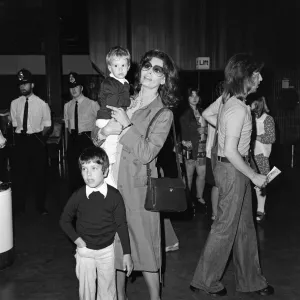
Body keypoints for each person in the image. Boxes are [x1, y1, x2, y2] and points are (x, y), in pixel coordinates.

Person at [92, 49, 178, 300]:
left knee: (146, 248)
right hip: (112, 183)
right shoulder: (123, 98)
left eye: (158, 70)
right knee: (116, 246)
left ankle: (155, 297)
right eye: (148, 66)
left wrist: (127, 125)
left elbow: (147, 153)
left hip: (140, 190)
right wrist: (103, 131)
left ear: (164, 79)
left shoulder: (164, 113)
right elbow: (97, 139)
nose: (150, 72)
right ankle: (119, 296)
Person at [190, 53, 274, 297]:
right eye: (256, 73)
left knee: (244, 226)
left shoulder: (229, 99)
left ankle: (252, 281)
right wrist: (255, 176)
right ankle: (205, 280)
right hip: (233, 168)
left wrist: (226, 127)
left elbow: (206, 114)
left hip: (229, 168)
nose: (260, 78)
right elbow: (230, 150)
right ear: (246, 77)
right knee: (226, 226)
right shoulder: (238, 108)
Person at [60, 146, 133, 300]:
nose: (88, 174)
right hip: (85, 251)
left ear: (105, 171)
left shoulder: (114, 196)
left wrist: (127, 253)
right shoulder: (78, 195)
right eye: (84, 169)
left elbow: (121, 225)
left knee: (107, 290)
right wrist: (77, 240)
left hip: (107, 251)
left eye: (94, 168)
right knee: (86, 291)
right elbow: (64, 220)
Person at [10, 68, 51, 215]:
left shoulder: (42, 104)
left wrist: (40, 138)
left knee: (39, 176)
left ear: (32, 85)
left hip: (36, 140)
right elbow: (15, 124)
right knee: (19, 176)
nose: (22, 86)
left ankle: (40, 207)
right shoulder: (14, 103)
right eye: (20, 84)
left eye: (25, 83)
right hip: (20, 142)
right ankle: (19, 207)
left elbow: (47, 124)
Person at [95, 46, 131, 188]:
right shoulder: (110, 83)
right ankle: (108, 178)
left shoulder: (124, 82)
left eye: (123, 65)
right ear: (110, 68)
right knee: (109, 150)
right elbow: (113, 105)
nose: (120, 69)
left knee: (113, 146)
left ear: (128, 66)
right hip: (108, 118)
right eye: (116, 65)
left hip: (113, 117)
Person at [64, 72, 100, 193]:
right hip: (73, 140)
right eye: (71, 87)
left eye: (76, 86)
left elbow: (100, 124)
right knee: (73, 173)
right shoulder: (67, 106)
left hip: (86, 140)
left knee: (88, 172)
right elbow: (67, 127)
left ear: (82, 88)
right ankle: (75, 200)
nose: (73, 90)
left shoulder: (92, 104)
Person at [179, 87, 207, 210]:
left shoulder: (204, 111)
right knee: (189, 175)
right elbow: (182, 132)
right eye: (192, 95)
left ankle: (199, 197)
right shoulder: (184, 113)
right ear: (187, 97)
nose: (194, 98)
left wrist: (205, 130)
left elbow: (212, 128)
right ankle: (186, 199)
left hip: (202, 147)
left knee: (202, 174)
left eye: (196, 95)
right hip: (189, 147)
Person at [249, 95, 276, 223]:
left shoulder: (267, 119)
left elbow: (271, 138)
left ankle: (261, 209)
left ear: (258, 103)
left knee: (261, 183)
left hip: (260, 154)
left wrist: (256, 137)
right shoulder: (248, 116)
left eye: (252, 102)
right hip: (247, 154)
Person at [203, 81, 224, 221]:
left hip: (217, 153)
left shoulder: (220, 109)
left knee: (219, 185)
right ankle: (216, 214)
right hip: (215, 154)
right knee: (217, 185)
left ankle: (217, 214)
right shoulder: (216, 110)